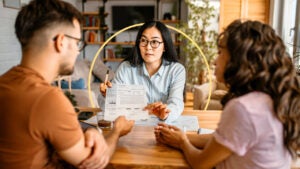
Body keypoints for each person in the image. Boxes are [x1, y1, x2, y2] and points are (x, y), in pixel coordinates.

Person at [0, 0, 134, 169]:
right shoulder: (48, 99)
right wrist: (117, 131)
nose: (78, 51)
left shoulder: (5, 83)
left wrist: (89, 130)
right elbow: (93, 162)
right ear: (61, 41)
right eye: (77, 42)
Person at [154, 20, 300, 169]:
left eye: (220, 52)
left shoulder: (244, 109)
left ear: (239, 58)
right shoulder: (269, 99)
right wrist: (183, 137)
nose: (214, 61)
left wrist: (182, 142)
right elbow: (226, 140)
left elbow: (200, 163)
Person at [100, 20, 186, 122]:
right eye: (144, 41)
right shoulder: (126, 68)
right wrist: (108, 96)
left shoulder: (176, 70)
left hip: (162, 126)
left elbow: (176, 103)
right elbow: (111, 108)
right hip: (132, 127)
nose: (148, 47)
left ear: (165, 46)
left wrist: (166, 113)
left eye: (154, 42)